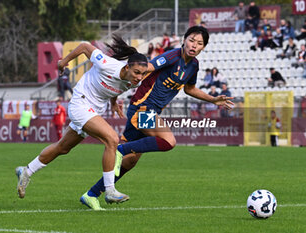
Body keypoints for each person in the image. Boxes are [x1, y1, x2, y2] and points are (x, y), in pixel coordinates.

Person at [80, 26, 234, 210]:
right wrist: (116, 89)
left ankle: (91, 194)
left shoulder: (194, 66)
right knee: (168, 141)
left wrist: (213, 99)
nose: (194, 45)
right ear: (184, 40)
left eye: (199, 43)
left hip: (150, 112)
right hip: (142, 108)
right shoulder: (172, 56)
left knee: (130, 162)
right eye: (192, 40)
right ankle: (121, 149)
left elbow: (189, 89)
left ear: (203, 48)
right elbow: (147, 68)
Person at [15, 35, 149, 209]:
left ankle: (26, 171)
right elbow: (85, 47)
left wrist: (114, 103)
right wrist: (64, 61)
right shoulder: (107, 64)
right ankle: (109, 191)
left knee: (63, 147)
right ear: (126, 67)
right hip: (81, 104)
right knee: (112, 139)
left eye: (143, 74)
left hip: (94, 110)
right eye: (137, 72)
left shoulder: (132, 82)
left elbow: (117, 87)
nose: (139, 77)